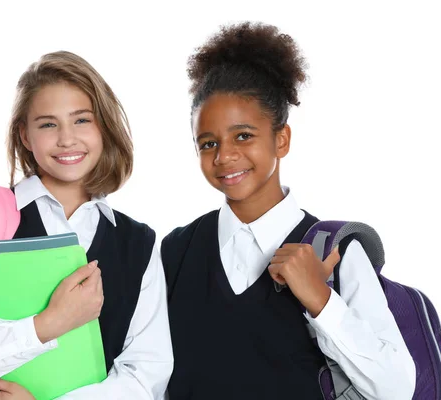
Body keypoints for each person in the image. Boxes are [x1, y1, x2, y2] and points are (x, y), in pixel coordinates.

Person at [161, 22, 415, 399]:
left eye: (243, 136)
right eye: (208, 143)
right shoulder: (175, 251)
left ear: (281, 139)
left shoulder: (335, 251)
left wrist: (321, 300)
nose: (224, 156)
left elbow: (396, 388)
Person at [0, 50, 173, 400]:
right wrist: (47, 325)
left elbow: (146, 379)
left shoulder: (138, 243)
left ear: (104, 126)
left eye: (82, 120)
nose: (67, 139)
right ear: (25, 136)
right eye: (48, 124)